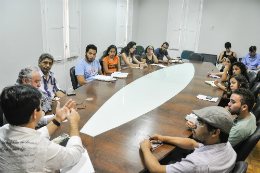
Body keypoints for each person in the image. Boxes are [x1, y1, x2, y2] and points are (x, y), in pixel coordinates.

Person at [0, 85, 84, 172]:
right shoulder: (43, 149)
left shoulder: (2, 131)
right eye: (41, 106)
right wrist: (74, 123)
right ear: (34, 113)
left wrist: (57, 119)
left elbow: (30, 137)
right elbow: (75, 155)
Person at [140, 106, 236, 173]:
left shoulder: (196, 164)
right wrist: (164, 138)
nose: (194, 125)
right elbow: (192, 144)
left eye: (200, 123)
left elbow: (155, 169)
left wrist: (145, 148)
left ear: (215, 132)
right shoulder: (225, 145)